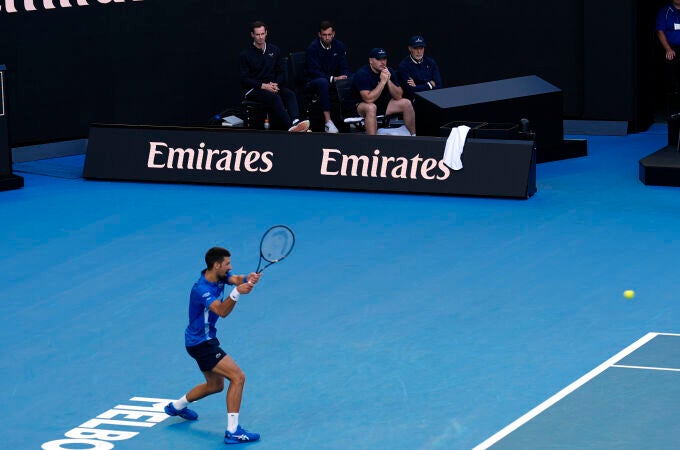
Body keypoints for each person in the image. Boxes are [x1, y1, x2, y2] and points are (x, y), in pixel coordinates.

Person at [164, 247, 262, 445]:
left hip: (200, 341)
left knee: (215, 385)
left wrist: (247, 279)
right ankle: (233, 431)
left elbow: (235, 279)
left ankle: (176, 407)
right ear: (216, 265)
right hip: (202, 343)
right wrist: (236, 294)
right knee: (238, 377)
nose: (230, 267)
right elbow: (222, 311)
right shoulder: (202, 290)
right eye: (227, 264)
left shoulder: (218, 275)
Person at [239, 21, 310, 132]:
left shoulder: (274, 50)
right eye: (257, 34)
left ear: (266, 33)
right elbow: (244, 79)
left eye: (262, 34)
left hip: (272, 86)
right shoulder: (245, 54)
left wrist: (275, 84)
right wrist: (263, 86)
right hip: (254, 89)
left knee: (290, 94)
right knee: (274, 97)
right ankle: (290, 127)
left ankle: (296, 122)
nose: (260, 37)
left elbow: (281, 72)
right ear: (252, 35)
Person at [343, 47, 416, 136]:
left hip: (380, 104)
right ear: (371, 60)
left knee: (406, 103)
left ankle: (413, 136)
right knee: (371, 107)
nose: (382, 62)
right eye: (378, 59)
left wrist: (388, 80)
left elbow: (398, 96)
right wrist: (382, 82)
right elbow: (368, 99)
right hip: (358, 106)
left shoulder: (389, 71)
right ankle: (374, 144)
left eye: (384, 59)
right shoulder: (362, 74)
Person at [304, 20, 351, 133]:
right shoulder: (312, 48)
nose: (327, 37)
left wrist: (344, 76)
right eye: (324, 35)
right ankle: (328, 122)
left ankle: (351, 118)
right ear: (319, 34)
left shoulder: (339, 46)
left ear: (333, 34)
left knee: (352, 78)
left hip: (333, 80)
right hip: (313, 81)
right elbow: (314, 71)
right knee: (322, 82)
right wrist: (333, 79)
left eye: (329, 35)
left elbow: (344, 66)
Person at [397, 35, 443, 101]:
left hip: (433, 97)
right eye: (416, 48)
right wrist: (430, 84)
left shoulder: (431, 62)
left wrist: (416, 86)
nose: (419, 51)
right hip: (416, 100)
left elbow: (439, 85)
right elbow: (411, 91)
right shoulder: (404, 66)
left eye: (421, 48)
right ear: (410, 48)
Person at [657, 1, 680, 94]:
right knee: (670, 62)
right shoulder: (664, 11)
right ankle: (674, 93)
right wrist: (668, 49)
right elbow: (660, 31)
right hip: (672, 48)